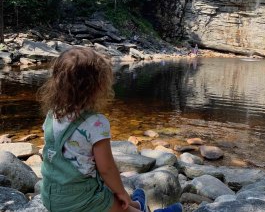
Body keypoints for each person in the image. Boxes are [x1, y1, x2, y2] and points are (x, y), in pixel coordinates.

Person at [38, 47, 182, 212]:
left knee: (108, 195)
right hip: (79, 199)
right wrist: (121, 193)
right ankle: (137, 207)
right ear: (97, 86)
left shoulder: (53, 114)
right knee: (119, 203)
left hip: (51, 196)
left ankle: (138, 205)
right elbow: (106, 168)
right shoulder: (96, 123)